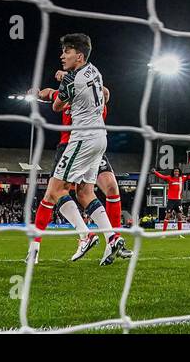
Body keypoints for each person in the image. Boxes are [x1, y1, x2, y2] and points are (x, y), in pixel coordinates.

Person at [29, 34, 121, 265]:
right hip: (101, 138)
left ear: (78, 56)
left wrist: (61, 85)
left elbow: (57, 105)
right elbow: (104, 94)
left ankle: (86, 235)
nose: (62, 56)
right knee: (86, 193)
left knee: (56, 190)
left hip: (81, 139)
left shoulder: (72, 80)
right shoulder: (95, 72)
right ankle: (111, 237)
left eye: (67, 52)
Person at [152, 166, 190, 233]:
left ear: (179, 172)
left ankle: (179, 233)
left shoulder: (182, 178)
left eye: (177, 171)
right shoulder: (169, 177)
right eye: (175, 171)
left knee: (180, 217)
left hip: (178, 201)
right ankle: (163, 233)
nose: (176, 172)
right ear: (173, 172)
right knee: (167, 216)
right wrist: (155, 172)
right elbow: (162, 176)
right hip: (171, 200)